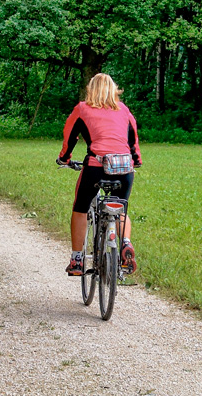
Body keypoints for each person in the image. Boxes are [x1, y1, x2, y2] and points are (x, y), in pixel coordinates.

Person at [56, 73, 142, 276]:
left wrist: (65, 158)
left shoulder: (82, 109)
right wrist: (135, 161)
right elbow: (133, 140)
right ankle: (126, 244)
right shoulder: (124, 110)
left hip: (96, 166)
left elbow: (70, 137)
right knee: (120, 208)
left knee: (81, 208)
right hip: (124, 168)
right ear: (114, 90)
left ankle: (77, 260)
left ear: (90, 89)